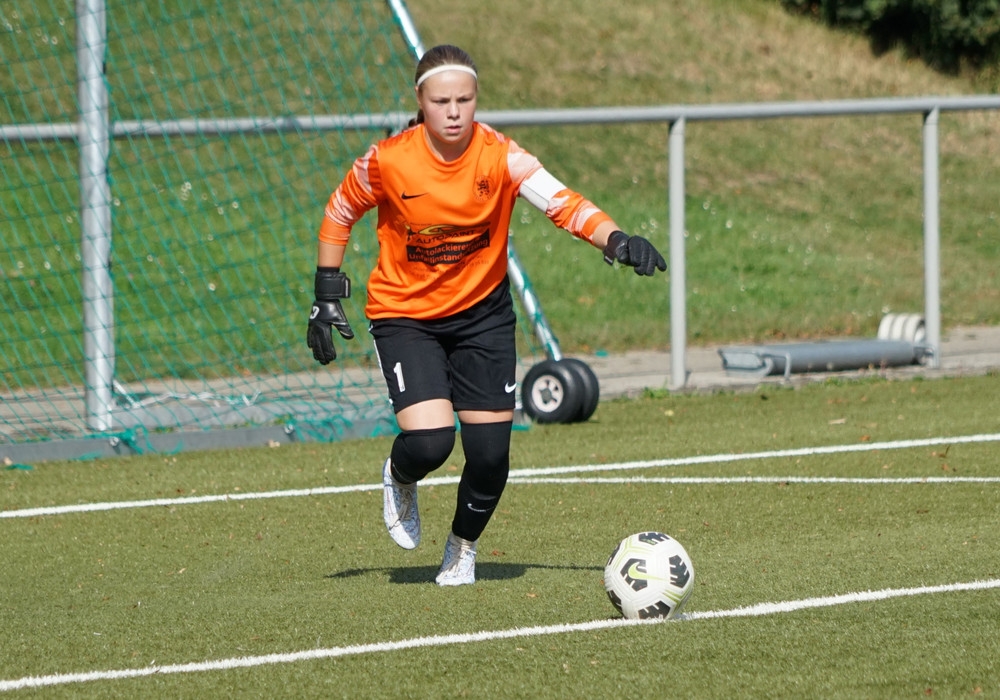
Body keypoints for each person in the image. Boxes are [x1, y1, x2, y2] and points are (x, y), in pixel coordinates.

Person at [306, 44, 666, 586]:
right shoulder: (387, 160)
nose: (454, 112)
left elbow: (563, 203)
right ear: (421, 102)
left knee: (491, 455)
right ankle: (400, 476)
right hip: (406, 316)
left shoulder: (501, 156)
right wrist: (326, 294)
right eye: (441, 101)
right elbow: (339, 212)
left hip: (483, 317)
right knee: (430, 443)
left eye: (465, 100)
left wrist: (615, 239)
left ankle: (461, 548)